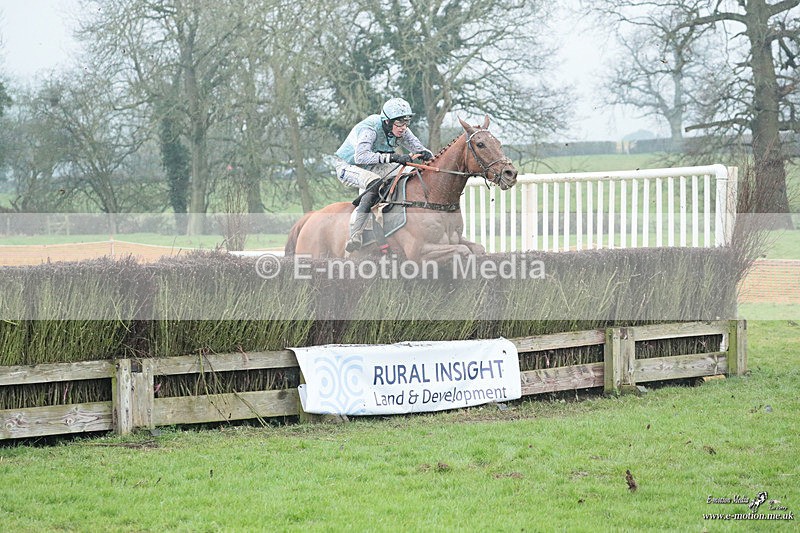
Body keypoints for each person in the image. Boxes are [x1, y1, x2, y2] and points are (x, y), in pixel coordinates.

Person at [333, 97, 434, 252]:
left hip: (373, 164)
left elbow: (419, 148)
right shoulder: (370, 129)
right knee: (374, 182)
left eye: (406, 123)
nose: (403, 128)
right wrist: (394, 157)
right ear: (387, 122)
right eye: (399, 123)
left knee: (411, 173)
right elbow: (361, 157)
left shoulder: (401, 129)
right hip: (348, 166)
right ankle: (356, 233)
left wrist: (427, 155)